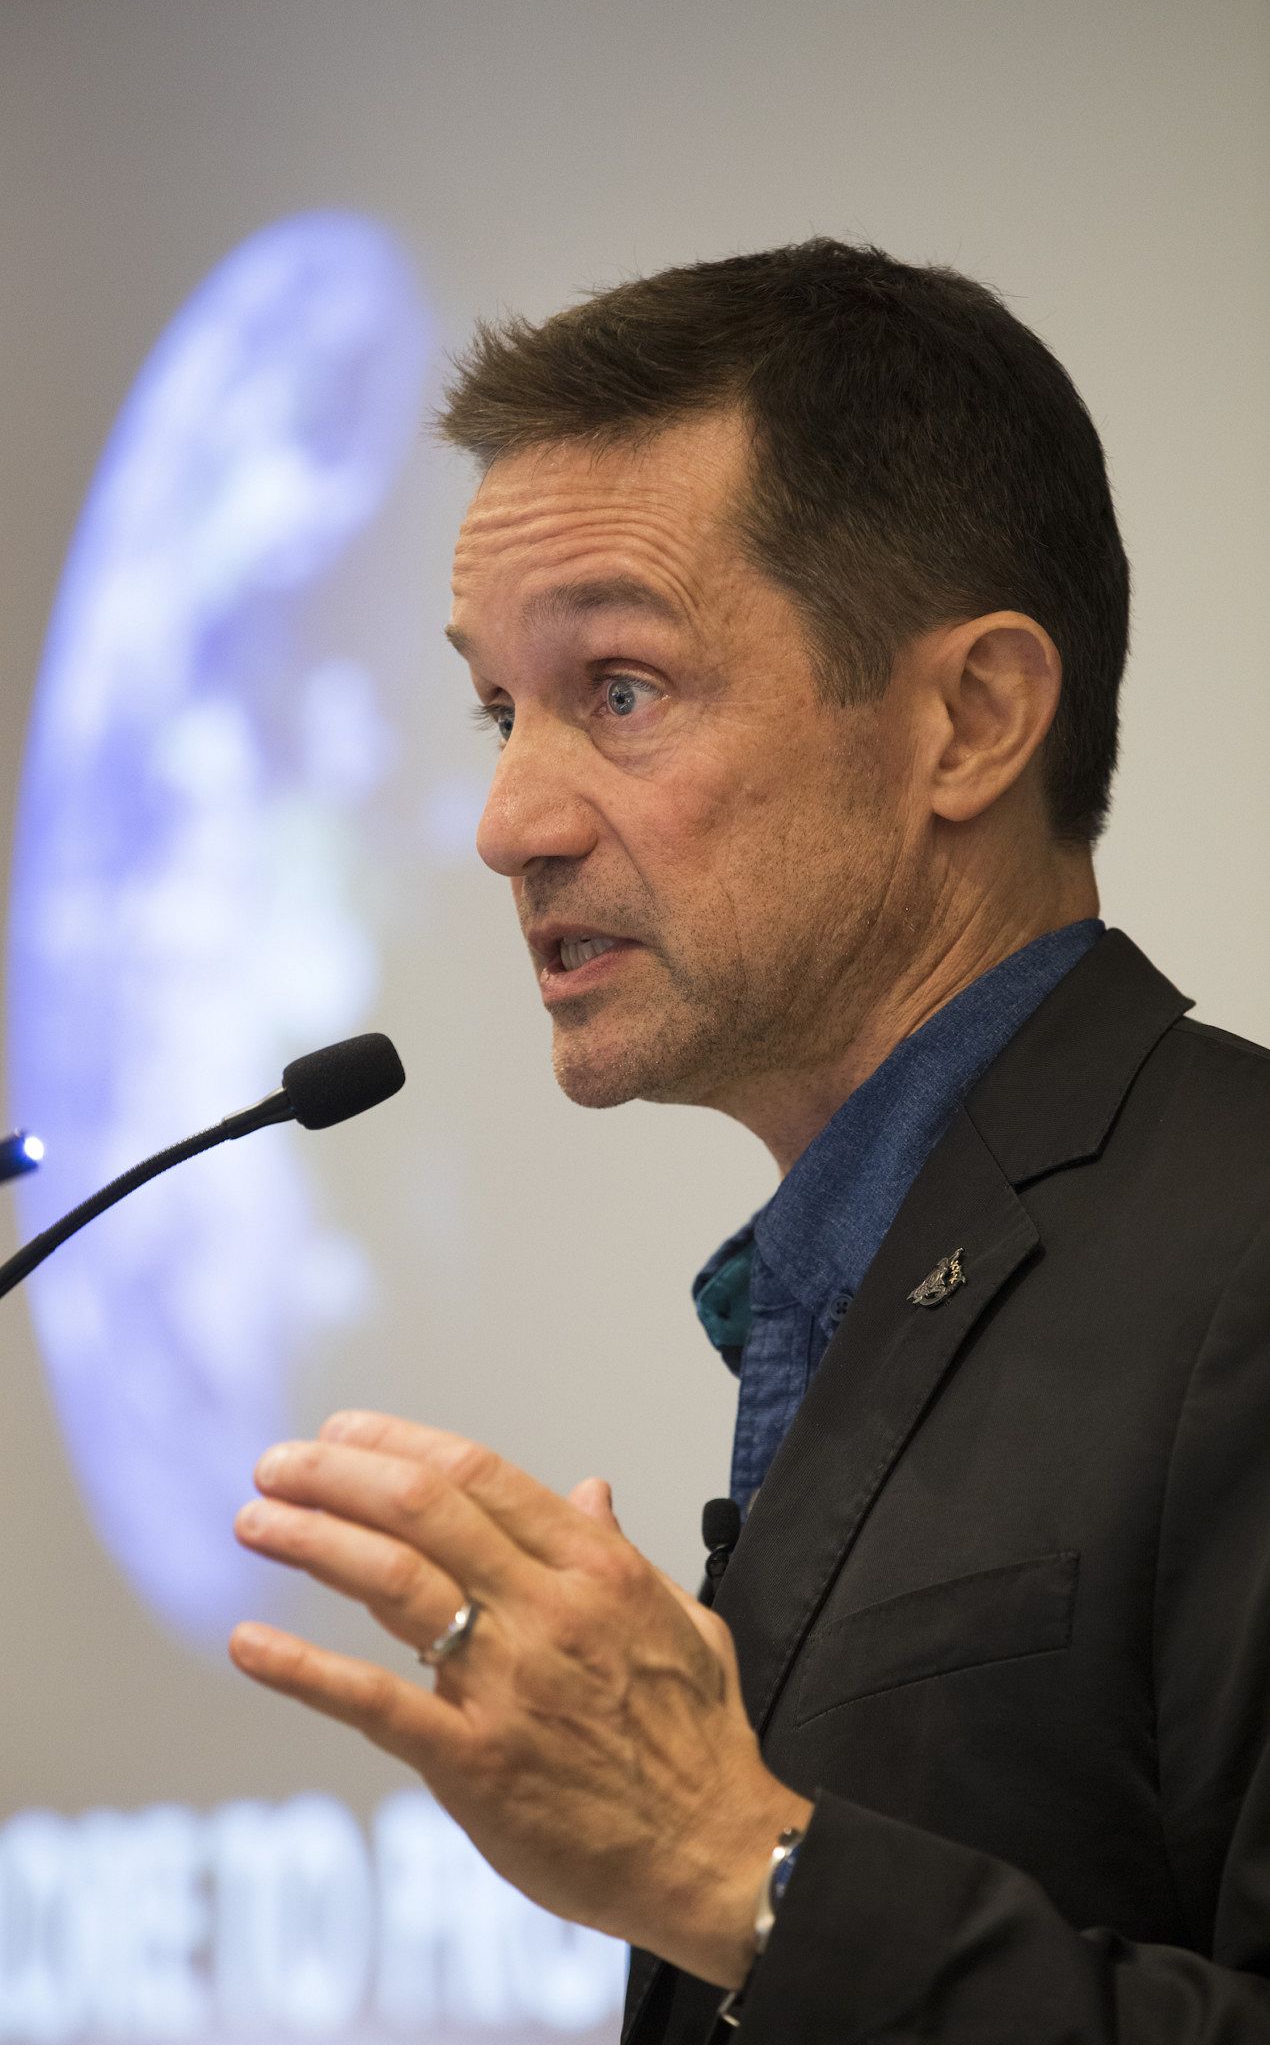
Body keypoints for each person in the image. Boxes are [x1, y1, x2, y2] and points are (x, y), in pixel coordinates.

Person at [227, 240, 1270, 2040]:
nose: (507, 820)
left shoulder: (1240, 1250)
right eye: (499, 709)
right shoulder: (867, 1283)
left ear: (970, 720)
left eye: (619, 688)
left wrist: (739, 1870)